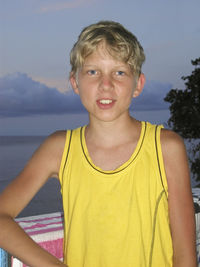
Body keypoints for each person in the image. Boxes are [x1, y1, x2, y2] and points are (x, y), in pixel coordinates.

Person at [0, 20, 197, 267]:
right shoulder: (59, 148)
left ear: (138, 84)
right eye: (93, 72)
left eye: (120, 72)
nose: (106, 84)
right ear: (74, 82)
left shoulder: (165, 148)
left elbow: (185, 255)